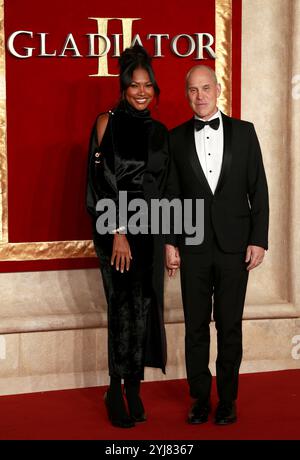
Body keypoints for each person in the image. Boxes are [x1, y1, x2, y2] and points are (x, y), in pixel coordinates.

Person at [165, 65, 269, 425]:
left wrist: (258, 240)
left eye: (206, 88)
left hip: (234, 246)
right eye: (193, 90)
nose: (200, 96)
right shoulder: (175, 138)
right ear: (186, 94)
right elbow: (172, 195)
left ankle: (227, 399)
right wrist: (169, 243)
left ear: (218, 89)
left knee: (229, 325)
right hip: (192, 246)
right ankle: (199, 398)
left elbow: (258, 190)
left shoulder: (245, 132)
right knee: (195, 326)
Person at [86, 45, 169, 428]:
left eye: (147, 85)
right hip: (115, 230)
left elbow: (165, 188)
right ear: (123, 87)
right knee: (121, 309)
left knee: (144, 309)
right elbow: (101, 182)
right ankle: (113, 389)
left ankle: (134, 388)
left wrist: (169, 240)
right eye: (134, 85)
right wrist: (118, 231)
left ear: (154, 89)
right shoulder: (106, 122)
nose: (141, 91)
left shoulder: (159, 132)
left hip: (149, 231)